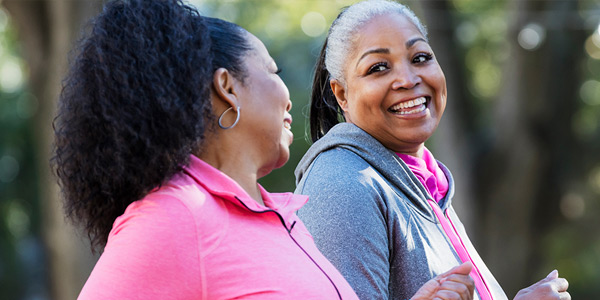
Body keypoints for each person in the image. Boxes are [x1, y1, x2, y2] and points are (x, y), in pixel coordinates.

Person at [52, 0, 474, 299]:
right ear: (227, 88)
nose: (289, 97)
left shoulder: (280, 219)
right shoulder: (175, 217)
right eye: (271, 71)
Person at [294, 1, 571, 300]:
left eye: (420, 57)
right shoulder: (343, 184)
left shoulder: (425, 182)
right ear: (342, 94)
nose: (409, 79)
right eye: (378, 67)